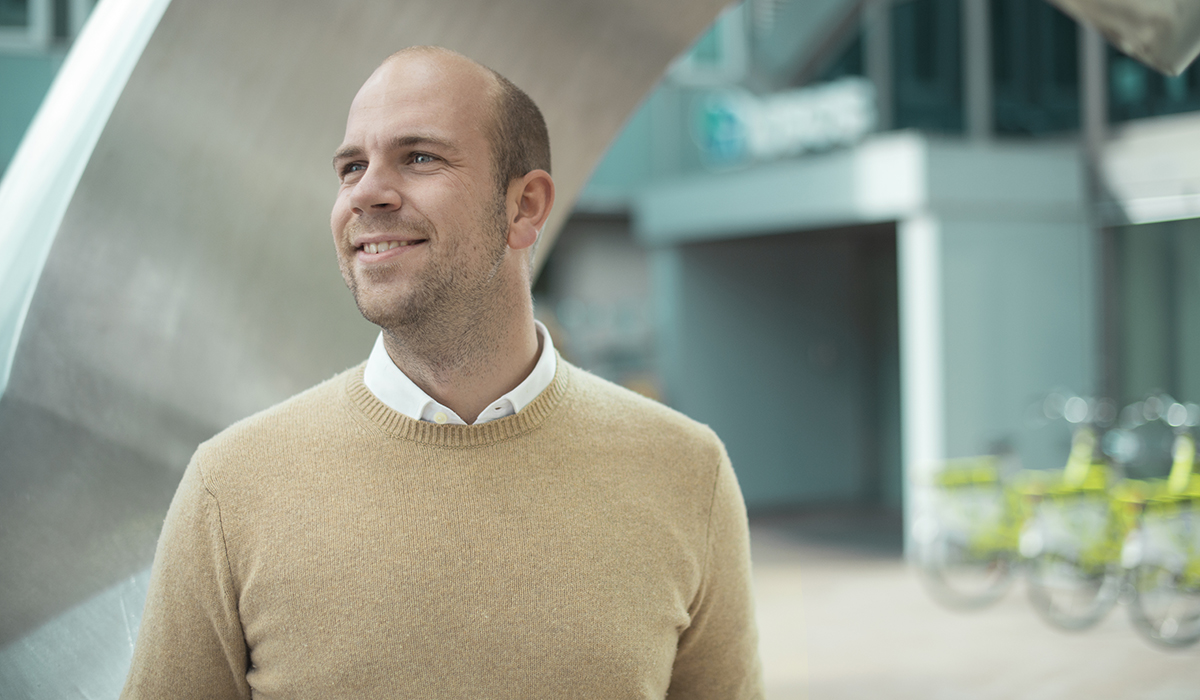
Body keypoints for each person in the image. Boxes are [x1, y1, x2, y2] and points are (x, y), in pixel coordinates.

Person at [121, 46, 762, 699]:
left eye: (419, 157)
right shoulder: (229, 489)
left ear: (525, 207)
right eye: (350, 168)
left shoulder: (686, 473)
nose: (366, 192)